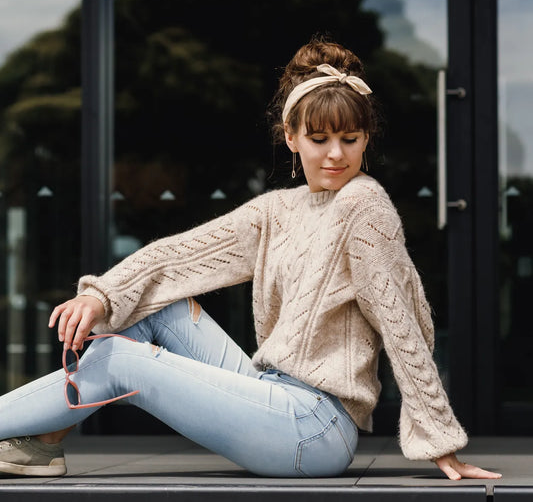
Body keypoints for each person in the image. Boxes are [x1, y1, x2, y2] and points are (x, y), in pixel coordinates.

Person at [0, 38, 501, 481]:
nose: (335, 155)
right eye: (319, 139)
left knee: (116, 359)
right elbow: (173, 259)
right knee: (153, 307)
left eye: (350, 139)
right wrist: (101, 294)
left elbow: (400, 324)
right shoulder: (277, 210)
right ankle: (44, 447)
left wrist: (440, 436)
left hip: (316, 427)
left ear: (366, 139)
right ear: (291, 137)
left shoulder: (364, 205)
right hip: (268, 392)